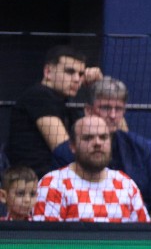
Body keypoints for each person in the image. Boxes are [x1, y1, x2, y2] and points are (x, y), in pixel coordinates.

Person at [52, 78, 151, 222]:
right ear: (88, 110)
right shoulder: (67, 152)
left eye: (119, 109)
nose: (113, 115)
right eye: (106, 108)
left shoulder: (138, 146)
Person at [7, 45, 102, 177]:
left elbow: (120, 138)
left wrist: (101, 88)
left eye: (81, 74)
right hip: (34, 185)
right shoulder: (40, 95)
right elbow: (64, 151)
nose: (76, 79)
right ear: (48, 72)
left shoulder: (66, 104)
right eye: (69, 72)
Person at [33, 116, 150, 223]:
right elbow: (46, 242)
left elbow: (144, 239)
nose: (97, 143)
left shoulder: (126, 184)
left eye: (103, 137)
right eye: (88, 138)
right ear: (72, 146)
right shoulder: (52, 184)